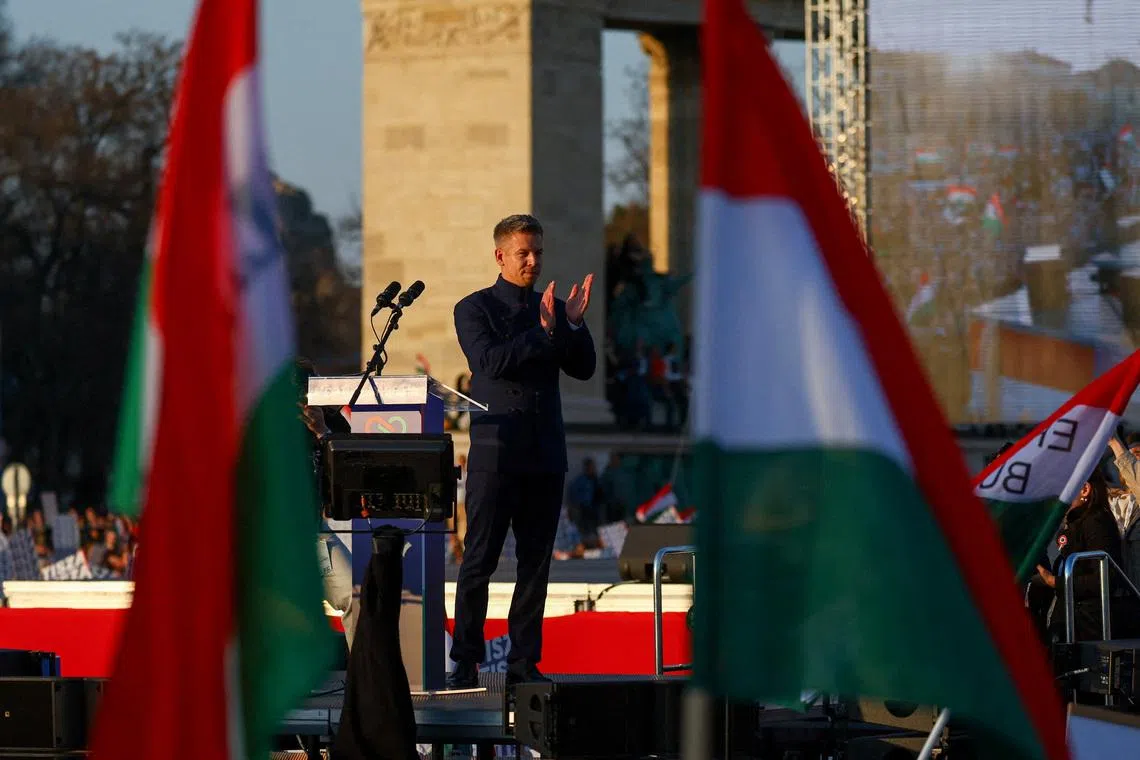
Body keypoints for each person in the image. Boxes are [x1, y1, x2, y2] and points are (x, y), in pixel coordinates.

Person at [447, 214, 596, 688]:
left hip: (545, 451)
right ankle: (466, 661)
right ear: (500, 256)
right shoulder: (474, 308)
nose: (532, 261)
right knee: (479, 560)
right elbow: (489, 362)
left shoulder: (549, 308)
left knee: (536, 562)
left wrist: (571, 325)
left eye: (538, 253)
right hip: (496, 451)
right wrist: (543, 331)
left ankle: (523, 663)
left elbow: (585, 369)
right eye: (523, 253)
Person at [295, 357, 359, 650]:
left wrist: (322, 432)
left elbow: (349, 468)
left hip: (314, 534)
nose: (304, 402)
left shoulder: (330, 420)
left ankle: (363, 680)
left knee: (354, 595)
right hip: (266, 536)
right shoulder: (265, 426)